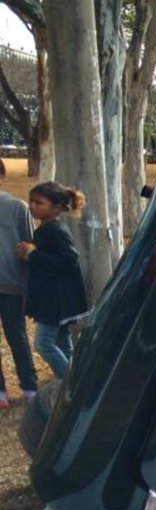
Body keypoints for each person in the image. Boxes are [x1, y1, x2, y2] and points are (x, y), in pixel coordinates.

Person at [17, 181, 88, 381]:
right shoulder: (45, 229)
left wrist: (32, 255)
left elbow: (69, 260)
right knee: (63, 343)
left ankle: (71, 385)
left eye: (39, 203)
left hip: (56, 300)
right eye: (31, 201)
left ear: (56, 207)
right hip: (57, 299)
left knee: (44, 344)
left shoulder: (55, 230)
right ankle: (77, 378)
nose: (32, 206)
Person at [0, 160, 39, 408]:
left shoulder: (17, 207)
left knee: (16, 335)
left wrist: (27, 253)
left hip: (11, 286)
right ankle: (0, 392)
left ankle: (29, 387)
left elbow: (32, 243)